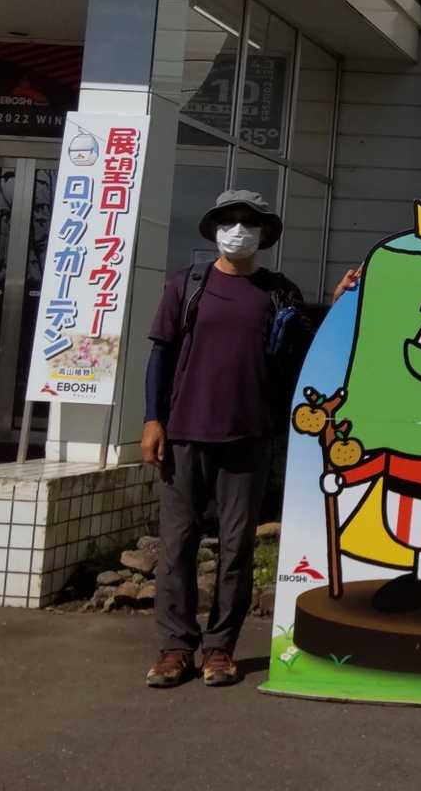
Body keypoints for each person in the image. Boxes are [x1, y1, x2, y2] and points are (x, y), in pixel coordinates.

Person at [140, 189, 358, 688]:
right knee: (176, 546)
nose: (237, 230)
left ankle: (220, 648)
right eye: (228, 220)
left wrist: (340, 302)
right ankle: (175, 648)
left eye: (249, 222)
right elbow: (160, 354)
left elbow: (309, 348)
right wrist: (153, 419)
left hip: (250, 436)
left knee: (236, 547)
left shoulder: (278, 291)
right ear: (214, 229)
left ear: (264, 234)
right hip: (184, 434)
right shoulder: (186, 286)